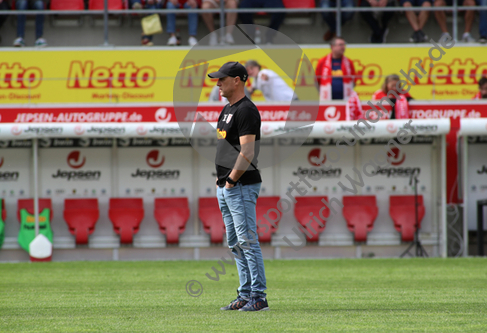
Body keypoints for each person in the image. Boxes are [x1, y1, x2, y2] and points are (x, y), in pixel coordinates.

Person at [207, 62, 269, 312]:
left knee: (247, 241)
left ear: (237, 80)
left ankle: (258, 296)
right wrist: (221, 179)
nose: (217, 83)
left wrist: (231, 179)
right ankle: (245, 295)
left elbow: (247, 151)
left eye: (222, 79)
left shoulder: (246, 110)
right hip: (227, 185)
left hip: (240, 185)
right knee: (235, 242)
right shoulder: (227, 109)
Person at [315, 36, 356, 101]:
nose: (343, 47)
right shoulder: (322, 61)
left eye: (344, 45)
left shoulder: (349, 62)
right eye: (340, 45)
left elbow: (354, 80)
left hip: (345, 99)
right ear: (332, 46)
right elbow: (316, 80)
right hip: (327, 99)